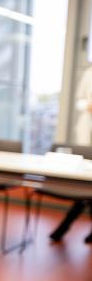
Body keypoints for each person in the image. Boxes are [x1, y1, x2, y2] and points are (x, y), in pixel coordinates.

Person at [50, 66, 92, 243]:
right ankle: (65, 227)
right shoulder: (89, 73)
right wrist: (88, 105)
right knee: (87, 186)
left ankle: (64, 226)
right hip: (87, 133)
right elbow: (79, 101)